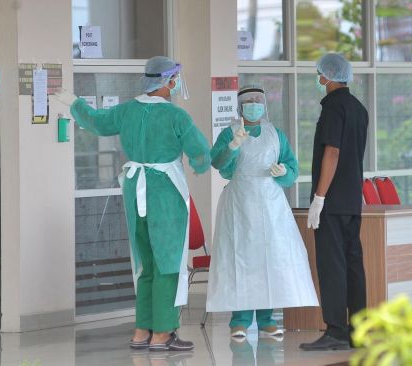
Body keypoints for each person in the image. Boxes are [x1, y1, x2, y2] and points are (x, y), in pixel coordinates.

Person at [54, 56, 211, 352]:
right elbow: (201, 153)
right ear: (169, 81)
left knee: (145, 263)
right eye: (175, 79)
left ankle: (142, 331)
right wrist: (204, 164)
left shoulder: (126, 110)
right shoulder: (177, 117)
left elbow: (96, 122)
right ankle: (162, 333)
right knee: (167, 264)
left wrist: (74, 102)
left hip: (134, 191)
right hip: (165, 194)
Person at [206, 86, 319, 340]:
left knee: (270, 258)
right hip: (240, 201)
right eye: (249, 101)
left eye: (258, 101)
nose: (254, 104)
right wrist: (233, 146)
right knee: (241, 258)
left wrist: (283, 172)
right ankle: (240, 320)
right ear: (240, 106)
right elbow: (217, 162)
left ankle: (267, 319)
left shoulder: (275, 134)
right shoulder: (230, 132)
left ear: (265, 105)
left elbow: (292, 168)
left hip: (271, 203)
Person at [299, 53, 369, 351]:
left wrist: (319, 198)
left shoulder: (333, 108)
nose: (319, 78)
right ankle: (358, 330)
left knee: (332, 265)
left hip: (333, 202)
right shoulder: (358, 108)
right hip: (353, 200)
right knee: (354, 264)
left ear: (327, 76)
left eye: (320, 73)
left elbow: (332, 152)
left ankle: (336, 330)